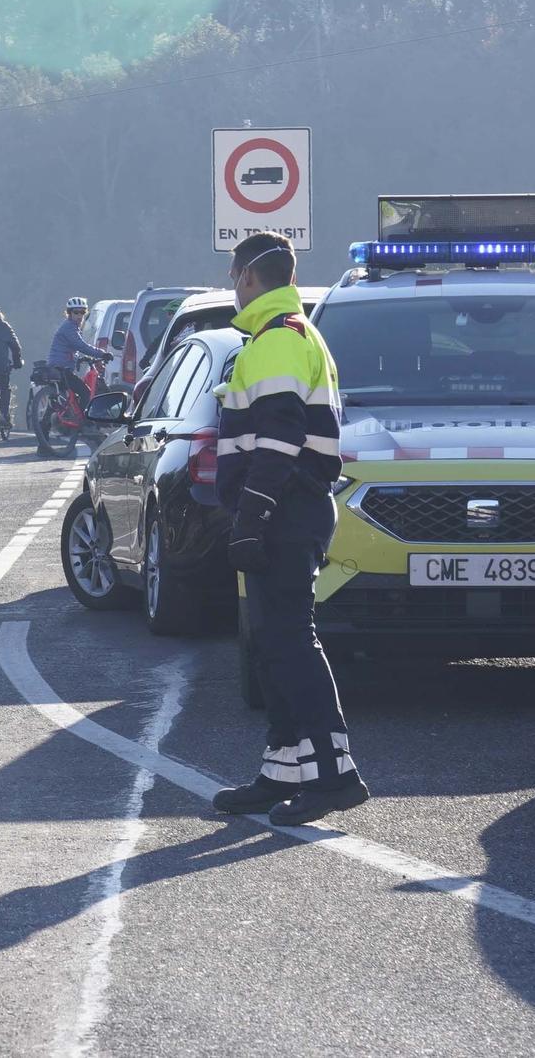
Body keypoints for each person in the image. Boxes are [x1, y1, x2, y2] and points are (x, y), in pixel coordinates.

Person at [211, 232, 367, 827]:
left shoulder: (276, 341)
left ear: (250, 276)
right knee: (274, 643)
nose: (231, 284)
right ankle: (283, 768)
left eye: (233, 273)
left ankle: (335, 775)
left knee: (291, 642)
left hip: (283, 511)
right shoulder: (292, 336)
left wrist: (252, 516)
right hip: (291, 509)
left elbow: (278, 439)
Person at [45, 296, 110, 418]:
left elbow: (68, 349)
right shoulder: (69, 328)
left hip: (60, 365)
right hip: (62, 368)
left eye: (82, 312)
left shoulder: (71, 327)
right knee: (85, 392)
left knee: (69, 397)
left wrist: (79, 359)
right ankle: (86, 424)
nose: (80, 315)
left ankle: (48, 424)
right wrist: (102, 353)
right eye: (76, 312)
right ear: (69, 313)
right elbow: (81, 346)